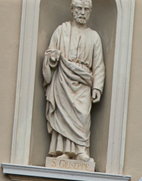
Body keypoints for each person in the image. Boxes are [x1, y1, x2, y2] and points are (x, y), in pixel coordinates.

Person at [42, 0, 104, 167]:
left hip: (83, 82)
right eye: (79, 9)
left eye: (86, 9)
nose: (82, 12)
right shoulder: (61, 30)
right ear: (72, 10)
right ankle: (62, 151)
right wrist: (53, 58)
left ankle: (81, 150)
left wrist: (97, 86)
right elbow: (50, 53)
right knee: (62, 115)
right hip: (62, 78)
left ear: (90, 12)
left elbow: (98, 65)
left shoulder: (94, 36)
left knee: (82, 115)